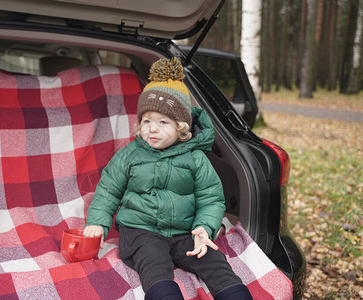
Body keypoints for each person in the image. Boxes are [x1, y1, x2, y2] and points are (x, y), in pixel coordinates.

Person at [83, 57, 252, 300]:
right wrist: (98, 222)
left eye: (163, 122)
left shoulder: (196, 159)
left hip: (185, 232)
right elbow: (108, 190)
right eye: (147, 120)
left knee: (212, 258)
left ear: (182, 127)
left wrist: (204, 228)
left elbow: (211, 199)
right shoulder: (129, 155)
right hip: (141, 230)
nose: (152, 128)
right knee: (153, 260)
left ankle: (235, 294)